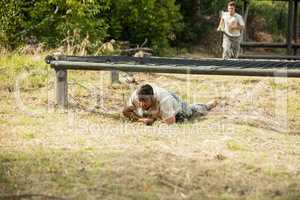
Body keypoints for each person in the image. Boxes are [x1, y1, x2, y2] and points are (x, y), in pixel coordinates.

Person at [122, 84, 217, 125]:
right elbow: (125, 112)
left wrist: (154, 122)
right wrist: (141, 120)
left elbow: (171, 122)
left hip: (178, 108)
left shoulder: (164, 100)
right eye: (140, 100)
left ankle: (208, 105)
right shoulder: (136, 96)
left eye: (145, 101)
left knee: (192, 112)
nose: (141, 104)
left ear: (152, 97)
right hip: (159, 109)